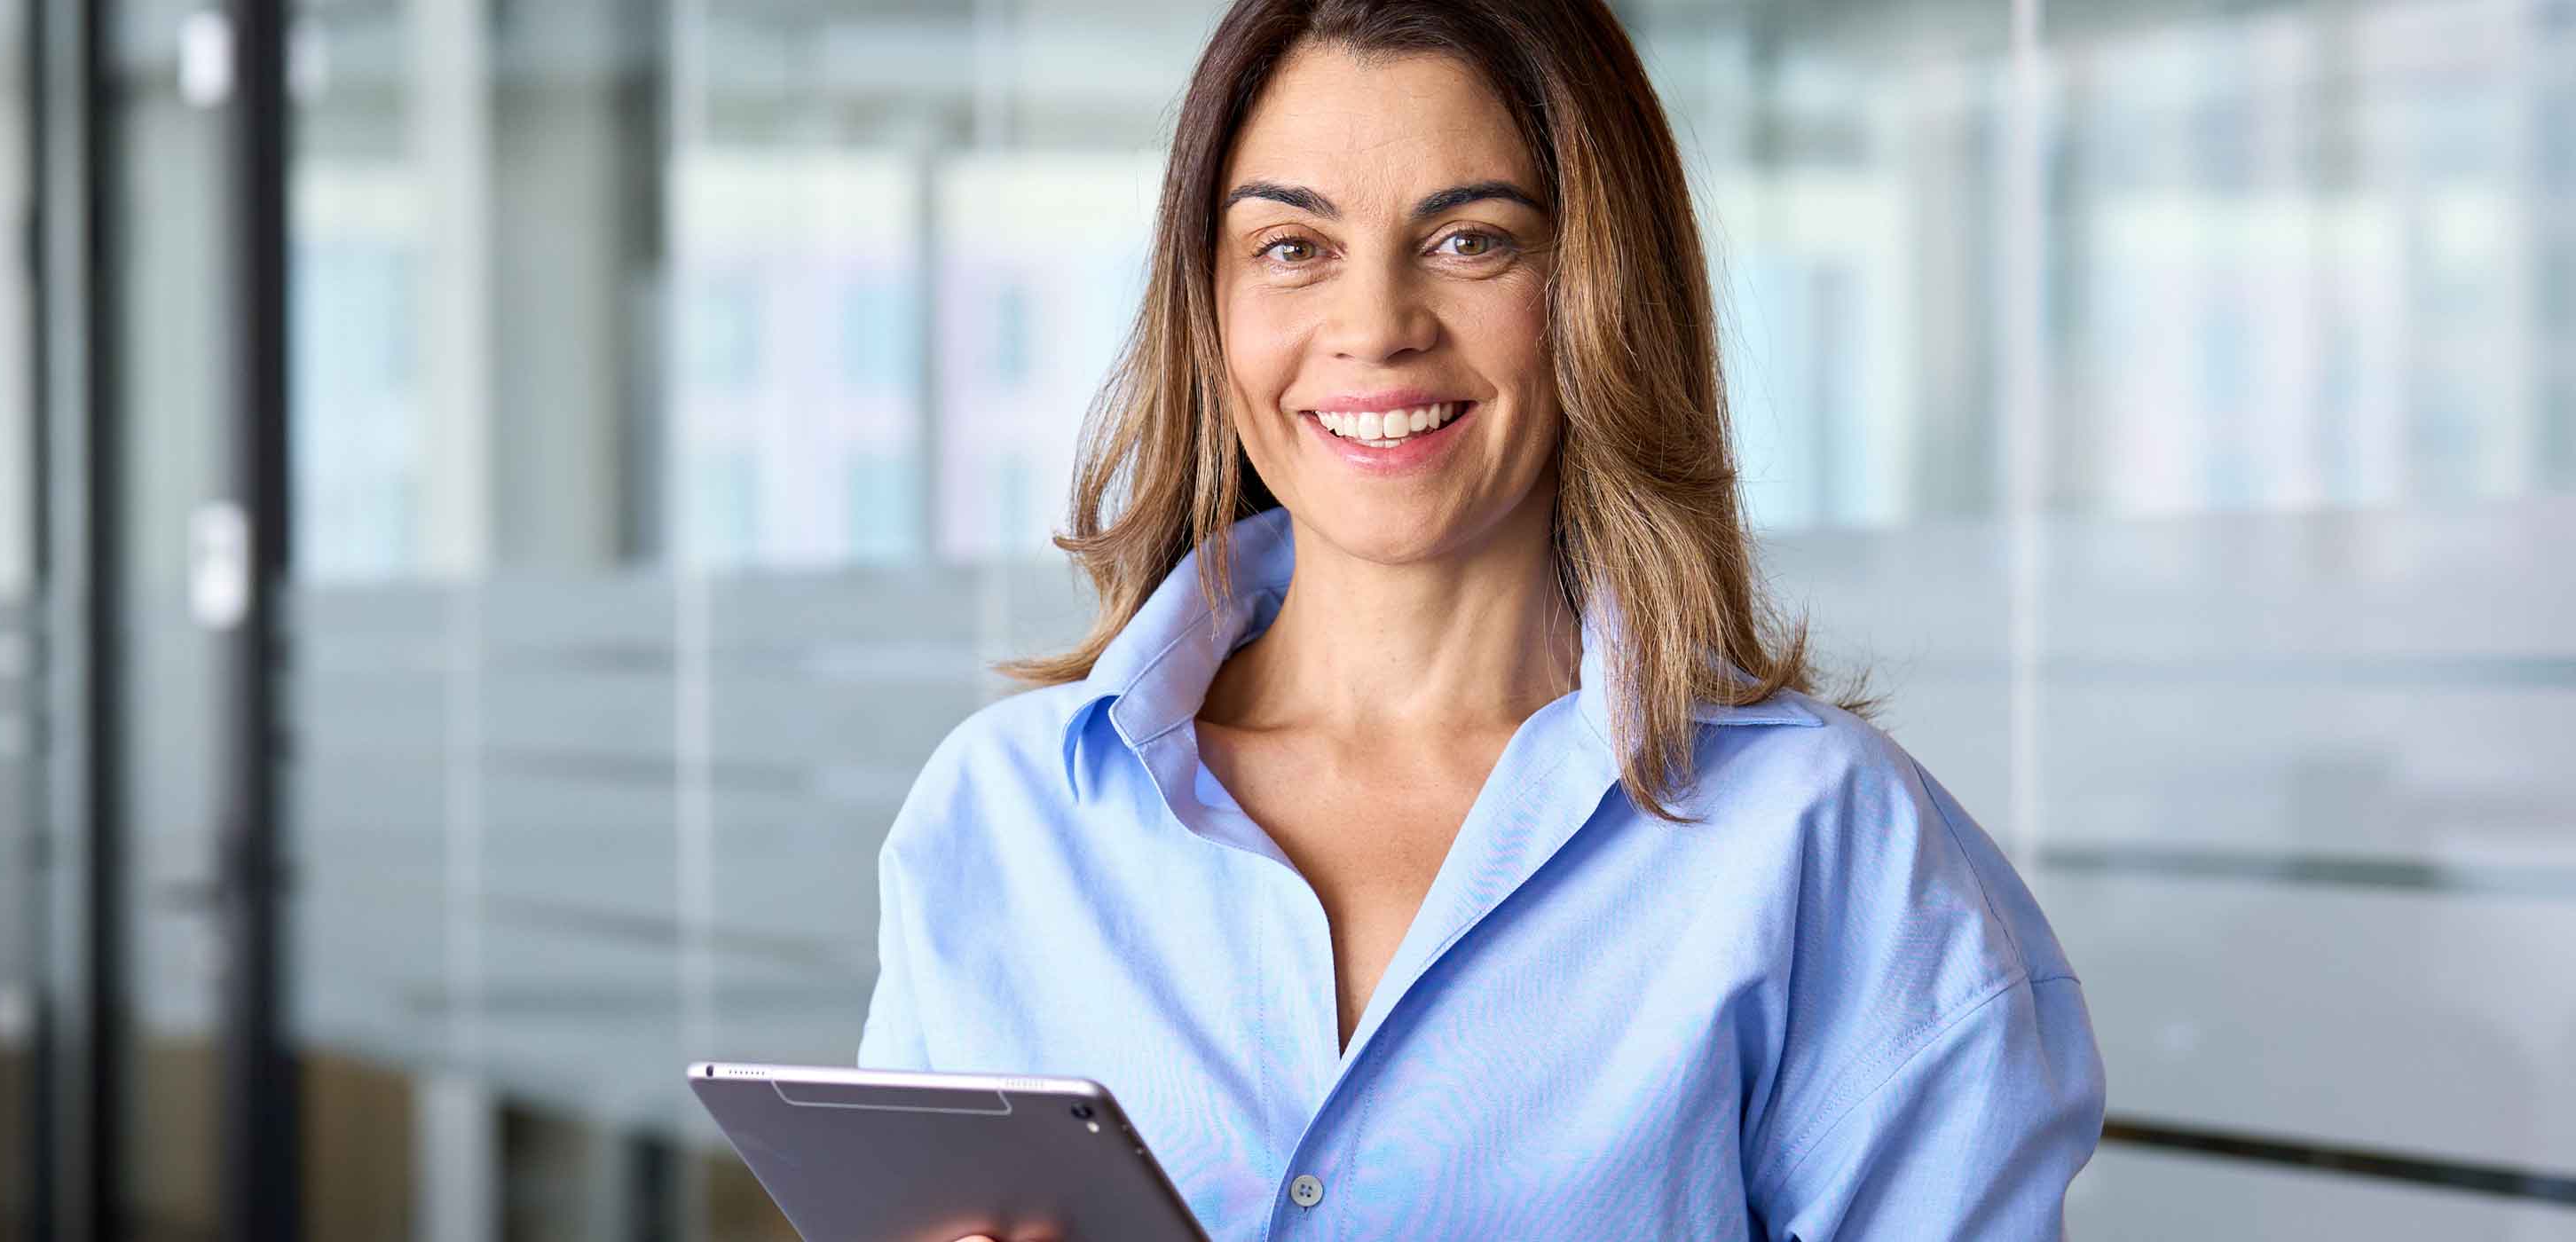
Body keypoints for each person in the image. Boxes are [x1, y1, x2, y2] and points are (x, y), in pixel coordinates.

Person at [857, 0, 2105, 1238]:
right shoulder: (1003, 817)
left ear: (1600, 288)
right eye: (1293, 246)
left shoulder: (1825, 846)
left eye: (1470, 240)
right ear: (1209, 305)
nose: (1375, 328)